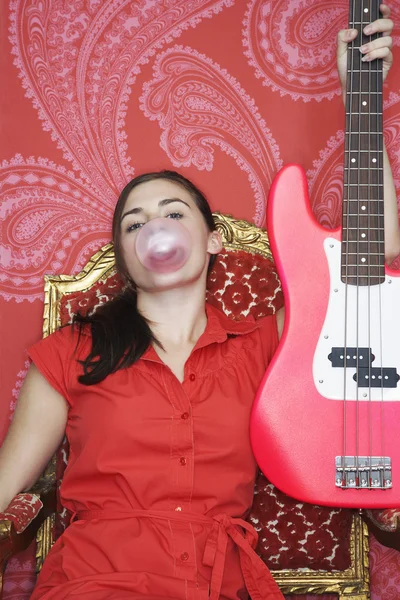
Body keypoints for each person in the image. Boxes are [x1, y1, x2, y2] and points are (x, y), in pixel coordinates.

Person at [0, 6, 399, 600]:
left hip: (218, 584)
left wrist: (359, 94)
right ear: (124, 255)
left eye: (172, 214)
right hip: (95, 580)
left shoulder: (267, 345)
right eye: (134, 224)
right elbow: (6, 484)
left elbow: (374, 264)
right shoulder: (70, 352)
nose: (153, 230)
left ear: (212, 241)